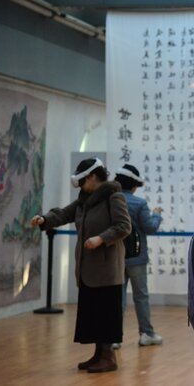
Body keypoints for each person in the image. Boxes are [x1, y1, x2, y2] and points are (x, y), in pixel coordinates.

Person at [30, 158, 131, 373]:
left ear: (93, 177)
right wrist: (44, 219)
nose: (82, 186)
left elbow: (124, 226)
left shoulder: (114, 197)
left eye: (83, 180)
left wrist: (101, 239)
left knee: (105, 314)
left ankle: (108, 357)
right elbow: (64, 214)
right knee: (94, 313)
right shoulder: (85, 200)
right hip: (88, 268)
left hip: (106, 269)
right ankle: (98, 355)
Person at [113, 164, 164, 348]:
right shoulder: (139, 203)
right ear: (133, 185)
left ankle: (114, 338)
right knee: (141, 296)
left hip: (116, 257)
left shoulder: (111, 201)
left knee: (117, 298)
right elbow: (150, 227)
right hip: (137, 258)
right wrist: (157, 215)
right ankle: (146, 334)